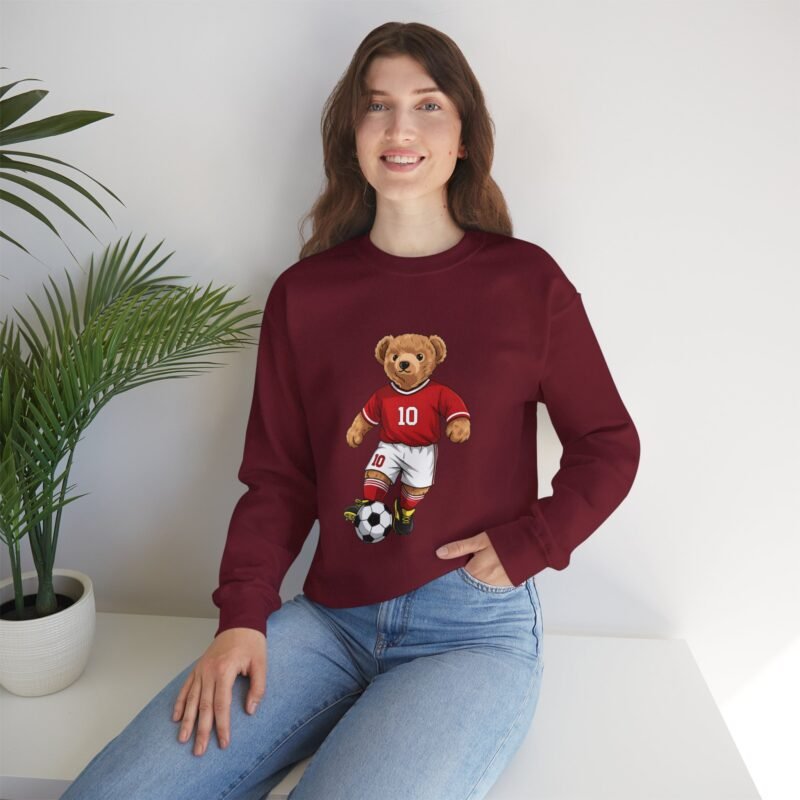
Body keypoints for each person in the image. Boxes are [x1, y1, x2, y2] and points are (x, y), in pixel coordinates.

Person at [61, 20, 640, 800]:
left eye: (428, 105)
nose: (401, 128)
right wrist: (242, 617)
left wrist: (532, 542)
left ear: (464, 136)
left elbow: (608, 442)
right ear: (352, 134)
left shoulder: (527, 283)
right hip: (329, 619)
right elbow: (280, 479)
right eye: (377, 106)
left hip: (470, 631)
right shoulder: (305, 295)